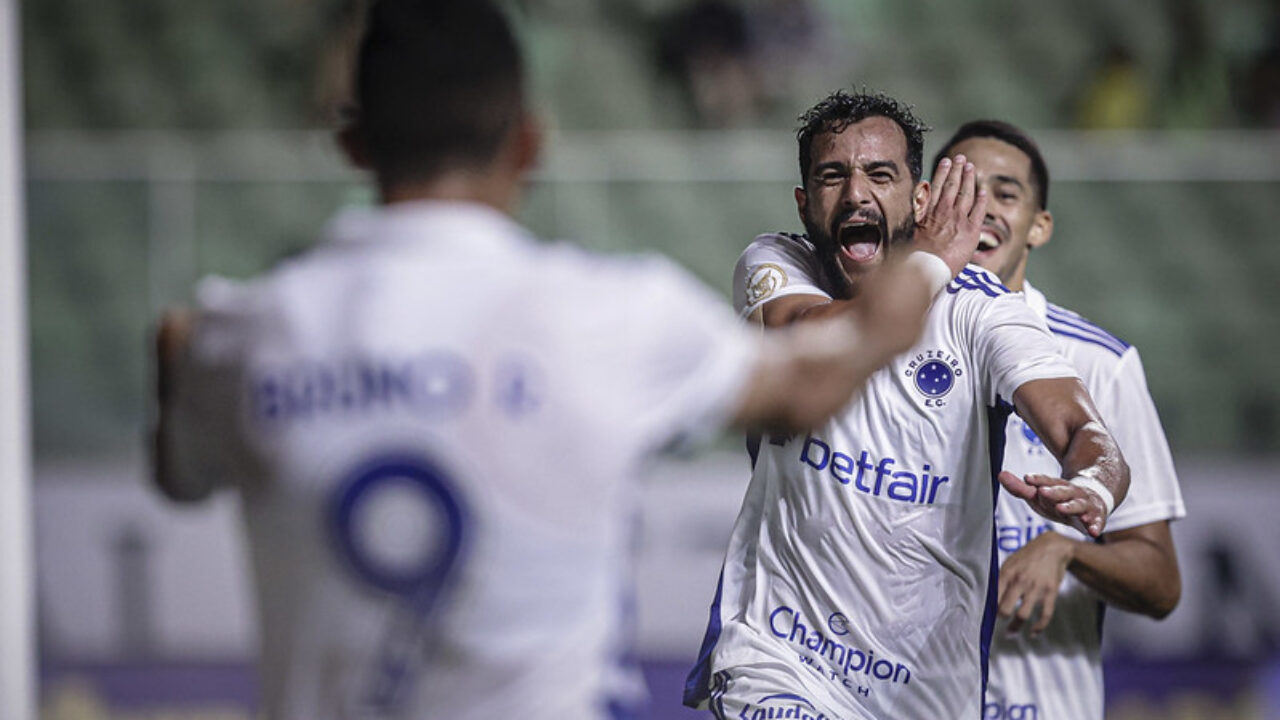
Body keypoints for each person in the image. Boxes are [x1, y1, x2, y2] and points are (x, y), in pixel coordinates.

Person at [149, 4, 957, 720]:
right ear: (529, 142)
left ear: (354, 141)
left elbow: (177, 461)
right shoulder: (613, 312)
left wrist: (183, 362)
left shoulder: (247, 333)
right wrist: (929, 260)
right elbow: (818, 377)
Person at [684, 90, 1131, 720]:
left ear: (919, 199)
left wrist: (1094, 483)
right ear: (805, 201)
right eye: (832, 176)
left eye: (880, 174)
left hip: (924, 690)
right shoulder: (777, 264)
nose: (856, 195)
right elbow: (804, 335)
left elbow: (1083, 429)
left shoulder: (981, 312)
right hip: (780, 660)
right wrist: (927, 263)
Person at [932, 119, 1186, 720]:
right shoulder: (887, 349)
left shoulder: (1100, 364)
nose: (982, 207)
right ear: (927, 203)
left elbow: (1161, 582)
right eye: (962, 186)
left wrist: (1067, 550)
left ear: (1038, 227)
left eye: (1006, 192)